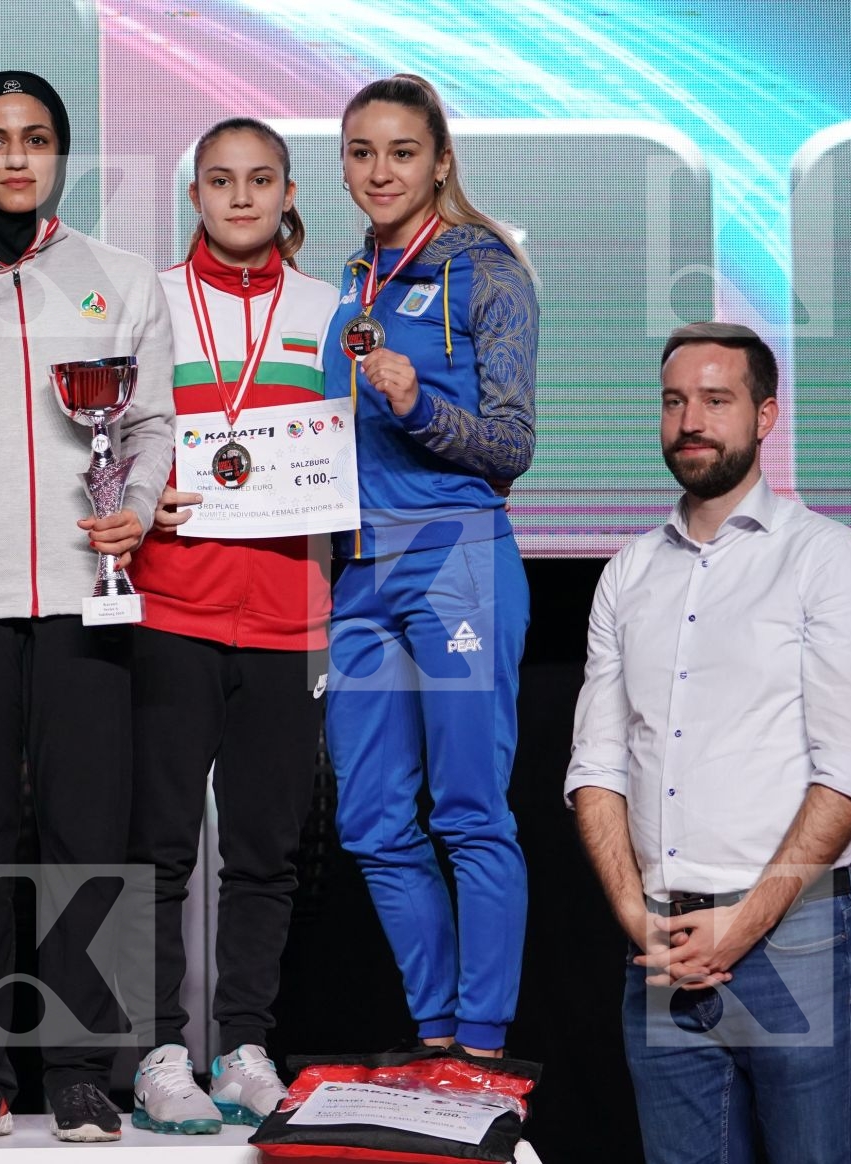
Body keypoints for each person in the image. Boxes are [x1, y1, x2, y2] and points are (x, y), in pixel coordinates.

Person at [0, 70, 174, 1144]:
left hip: (90, 596)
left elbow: (149, 426)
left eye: (38, 138)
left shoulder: (117, 277)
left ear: (62, 156)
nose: (17, 157)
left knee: (86, 833)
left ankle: (82, 1070)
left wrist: (136, 510)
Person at [567, 322, 851, 1164]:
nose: (691, 421)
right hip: (664, 943)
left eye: (717, 399)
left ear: (766, 415)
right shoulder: (628, 573)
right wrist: (642, 922)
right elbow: (596, 767)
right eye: (674, 402)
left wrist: (740, 928)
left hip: (796, 939)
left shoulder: (827, 558)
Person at [123, 117, 339, 1133]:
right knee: (160, 846)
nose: (241, 198)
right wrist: (139, 491)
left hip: (291, 615)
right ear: (196, 195)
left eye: (260, 180)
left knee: (265, 851)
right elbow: (114, 439)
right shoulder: (153, 301)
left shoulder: (330, 310)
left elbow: (352, 459)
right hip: (173, 603)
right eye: (220, 181)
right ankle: (161, 1051)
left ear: (287, 190)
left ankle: (243, 1045)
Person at [321, 73, 539, 1057]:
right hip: (362, 574)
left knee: (467, 810)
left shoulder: (486, 272)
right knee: (369, 819)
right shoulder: (351, 278)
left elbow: (511, 446)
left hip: (456, 560)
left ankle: (479, 1043)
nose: (380, 170)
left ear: (440, 161)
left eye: (401, 152)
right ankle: (438, 1034)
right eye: (362, 152)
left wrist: (416, 407)